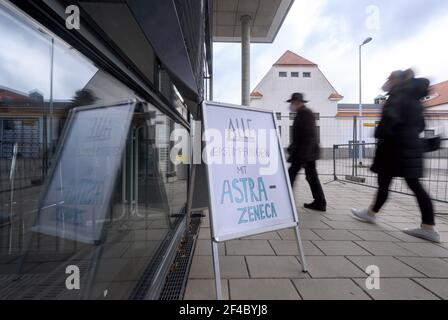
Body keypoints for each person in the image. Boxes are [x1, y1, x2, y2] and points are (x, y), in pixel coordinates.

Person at [351, 69, 440, 243]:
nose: (387, 81)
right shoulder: (415, 99)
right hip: (410, 147)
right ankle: (372, 213)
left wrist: (380, 132)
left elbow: (389, 122)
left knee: (393, 183)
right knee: (403, 184)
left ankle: (428, 228)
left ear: (397, 80)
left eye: (390, 78)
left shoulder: (398, 95)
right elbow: (421, 126)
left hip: (395, 149)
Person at [287, 92, 327, 212]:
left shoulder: (305, 114)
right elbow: (300, 135)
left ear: (297, 103)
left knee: (291, 175)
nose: (291, 105)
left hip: (304, 153)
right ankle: (320, 202)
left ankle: (286, 201)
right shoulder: (302, 113)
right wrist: (292, 147)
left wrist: (301, 154)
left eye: (292, 103)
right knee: (311, 177)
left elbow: (308, 136)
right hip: (305, 153)